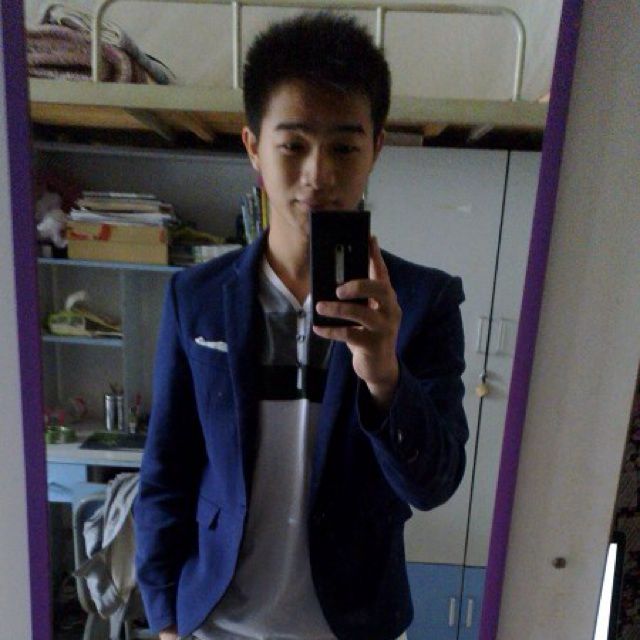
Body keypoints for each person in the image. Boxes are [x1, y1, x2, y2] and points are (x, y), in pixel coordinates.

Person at [134, 12, 468, 640]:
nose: (319, 174)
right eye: (293, 145)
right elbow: (166, 470)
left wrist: (384, 375)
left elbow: (434, 484)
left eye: (344, 146)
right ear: (253, 148)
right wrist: (164, 619)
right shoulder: (195, 298)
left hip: (354, 625)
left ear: (376, 149)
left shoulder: (424, 302)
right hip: (216, 623)